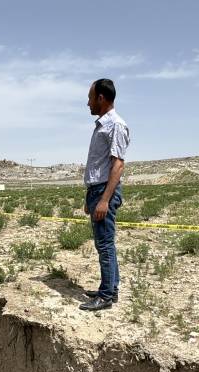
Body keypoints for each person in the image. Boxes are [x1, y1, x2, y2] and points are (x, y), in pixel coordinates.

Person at [80, 78, 130, 311]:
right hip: (97, 190)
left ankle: (107, 295)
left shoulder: (115, 125)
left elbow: (117, 165)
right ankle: (110, 288)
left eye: (90, 97)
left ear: (101, 98)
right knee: (104, 245)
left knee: (105, 245)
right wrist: (90, 197)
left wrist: (104, 199)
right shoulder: (103, 125)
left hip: (104, 192)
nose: (87, 102)